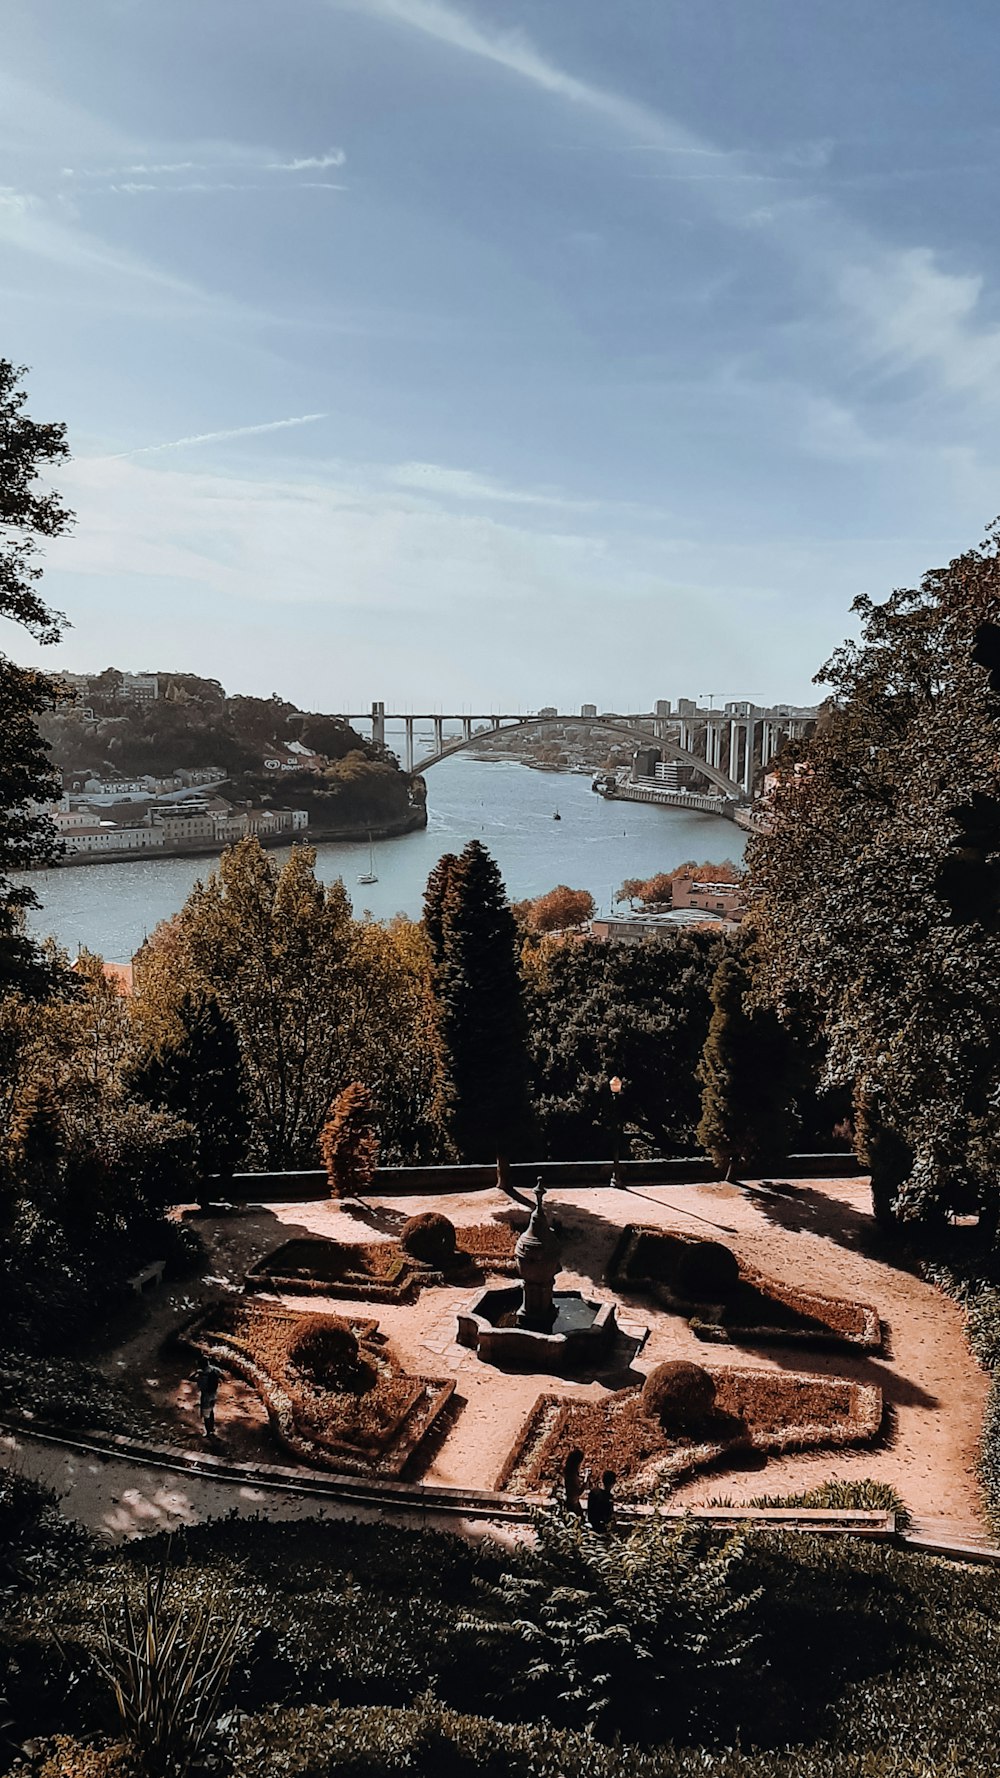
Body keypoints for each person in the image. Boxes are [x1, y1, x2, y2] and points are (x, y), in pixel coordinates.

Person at [192, 1358, 224, 1436]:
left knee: (206, 1415)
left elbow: (191, 1378)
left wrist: (196, 1372)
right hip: (214, 1394)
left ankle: (208, 1432)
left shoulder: (202, 1375)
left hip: (206, 1396)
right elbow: (222, 1375)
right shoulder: (214, 1370)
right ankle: (212, 1428)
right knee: (211, 1411)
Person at [586, 1469, 616, 1535]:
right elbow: (608, 1516)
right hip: (601, 1527)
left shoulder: (593, 1492)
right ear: (613, 1483)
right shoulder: (608, 1497)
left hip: (591, 1522)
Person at [562, 1447, 585, 1516]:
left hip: (570, 1502)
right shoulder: (572, 1476)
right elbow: (577, 1492)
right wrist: (585, 1482)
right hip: (574, 1505)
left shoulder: (569, 1472)